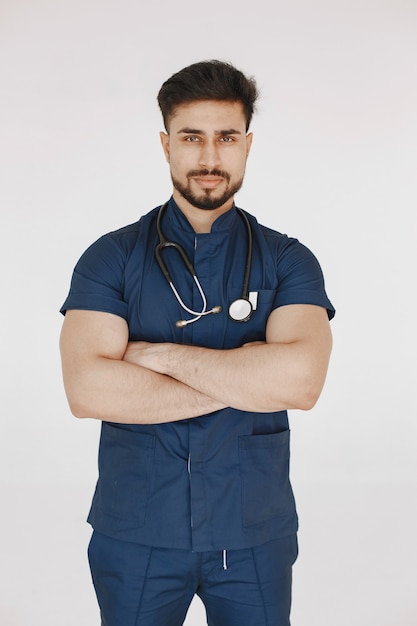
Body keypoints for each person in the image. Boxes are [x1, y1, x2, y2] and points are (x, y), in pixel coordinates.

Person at [59, 60, 335, 626]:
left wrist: (154, 357)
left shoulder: (288, 262)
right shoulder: (110, 258)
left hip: (253, 534)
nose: (209, 158)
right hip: (136, 531)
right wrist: (250, 376)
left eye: (226, 138)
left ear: (248, 145)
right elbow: (87, 390)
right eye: (192, 137)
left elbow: (301, 384)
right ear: (166, 144)